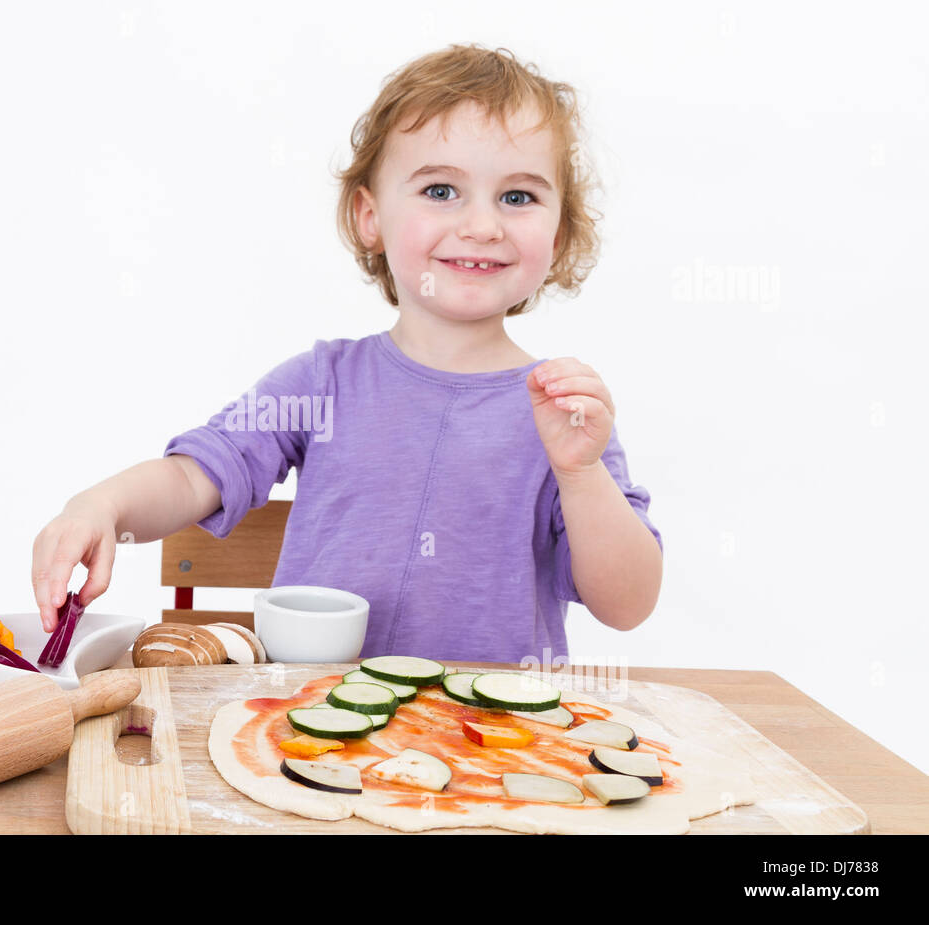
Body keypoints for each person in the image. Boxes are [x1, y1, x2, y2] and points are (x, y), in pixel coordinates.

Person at [32, 44, 662, 663]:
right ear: (370, 216)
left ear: (561, 230)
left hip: (486, 748)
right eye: (441, 190)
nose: (482, 225)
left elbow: (628, 604)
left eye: (518, 197)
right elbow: (193, 475)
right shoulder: (324, 382)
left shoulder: (564, 413)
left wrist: (581, 476)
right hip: (307, 734)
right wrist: (101, 506)